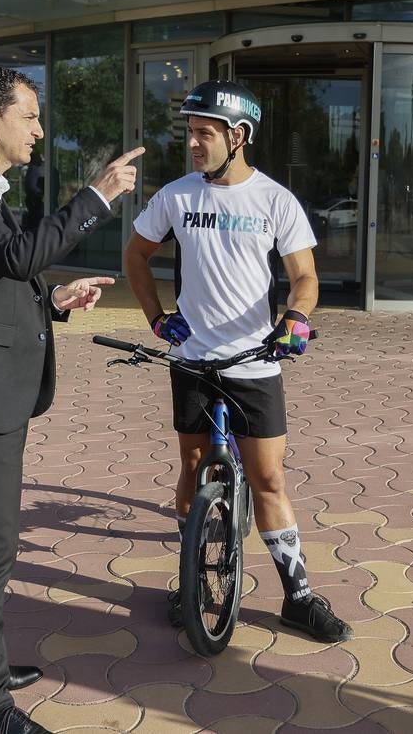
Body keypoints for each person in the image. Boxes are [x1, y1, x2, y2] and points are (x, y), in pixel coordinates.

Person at [0, 66, 144, 734]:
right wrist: (94, 198)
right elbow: (15, 255)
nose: (39, 130)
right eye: (31, 116)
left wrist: (55, 300)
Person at [124, 80, 352, 645]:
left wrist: (296, 319)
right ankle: (188, 580)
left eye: (205, 134)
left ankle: (297, 598)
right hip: (194, 359)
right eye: (190, 134)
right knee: (192, 461)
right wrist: (157, 318)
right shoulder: (177, 196)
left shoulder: (275, 200)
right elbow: (136, 254)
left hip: (256, 360)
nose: (194, 145)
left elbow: (304, 277)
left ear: (238, 135)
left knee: (268, 476)